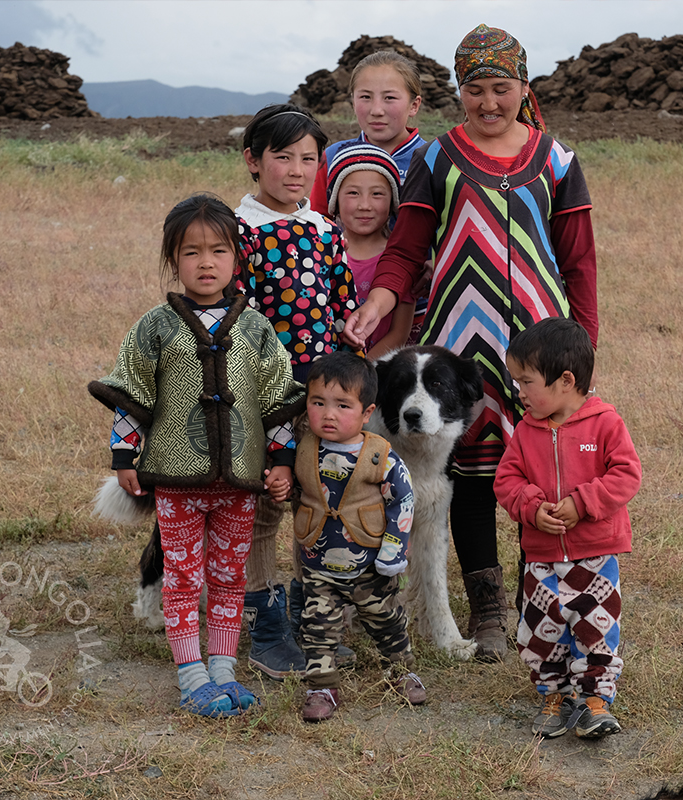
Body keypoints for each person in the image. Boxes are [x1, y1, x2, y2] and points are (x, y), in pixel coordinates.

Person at [342, 24, 599, 660]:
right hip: (459, 345)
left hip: (542, 345)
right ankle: (486, 610)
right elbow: (406, 248)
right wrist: (380, 299)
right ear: (460, 92)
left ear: (523, 87)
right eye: (475, 90)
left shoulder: (558, 160)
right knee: (478, 474)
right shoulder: (438, 158)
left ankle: (537, 604)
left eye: (501, 89)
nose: (488, 103)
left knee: (545, 468)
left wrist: (583, 348)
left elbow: (580, 263)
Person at [88, 194, 302, 717]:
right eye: (191, 252)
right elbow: (132, 393)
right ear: (173, 259)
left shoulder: (256, 330)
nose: (206, 263)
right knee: (184, 576)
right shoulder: (154, 327)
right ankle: (191, 675)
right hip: (178, 481)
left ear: (237, 258)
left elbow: (277, 399)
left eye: (218, 251)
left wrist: (281, 460)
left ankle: (224, 667)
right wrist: (123, 458)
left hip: (240, 483)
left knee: (229, 575)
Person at [230, 102, 360, 680]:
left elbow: (342, 308)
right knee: (263, 503)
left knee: (315, 496)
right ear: (253, 161)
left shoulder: (324, 230)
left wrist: (351, 377)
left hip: (318, 395)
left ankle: (314, 615)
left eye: (309, 158)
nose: (297, 170)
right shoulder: (239, 234)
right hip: (259, 394)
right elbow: (232, 316)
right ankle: (263, 620)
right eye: (283, 157)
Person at [493, 318, 641, 740]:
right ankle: (553, 695)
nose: (518, 391)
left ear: (566, 380)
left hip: (595, 554)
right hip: (541, 557)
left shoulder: (605, 423)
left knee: (595, 627)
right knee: (541, 629)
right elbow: (506, 481)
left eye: (525, 381)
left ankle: (595, 700)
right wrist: (532, 508)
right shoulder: (525, 431)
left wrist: (583, 502)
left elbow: (626, 474)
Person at [292, 351, 425, 722]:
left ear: (367, 413)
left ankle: (400, 670)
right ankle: (322, 685)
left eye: (342, 405)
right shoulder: (303, 449)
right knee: (316, 625)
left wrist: (393, 550)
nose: (328, 414)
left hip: (369, 565)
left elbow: (403, 500)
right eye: (318, 403)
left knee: (385, 620)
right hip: (318, 563)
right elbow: (294, 489)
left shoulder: (380, 456)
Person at [309, 50, 425, 215]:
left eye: (389, 98)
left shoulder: (433, 160)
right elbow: (319, 225)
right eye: (365, 97)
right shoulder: (333, 156)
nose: (376, 110)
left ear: (414, 105)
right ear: (353, 102)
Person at [325, 143, 414, 357]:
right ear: (335, 200)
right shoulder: (321, 251)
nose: (365, 205)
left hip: (378, 373)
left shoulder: (400, 259)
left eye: (377, 194)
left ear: (393, 201)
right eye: (353, 193)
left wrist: (364, 369)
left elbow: (399, 333)